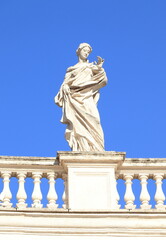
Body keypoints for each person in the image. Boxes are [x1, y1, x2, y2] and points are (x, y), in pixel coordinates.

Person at [55, 43, 107, 151]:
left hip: (87, 96)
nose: (86, 53)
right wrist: (64, 86)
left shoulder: (91, 67)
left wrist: (99, 68)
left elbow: (103, 79)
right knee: (77, 124)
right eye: (85, 50)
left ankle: (96, 147)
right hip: (75, 97)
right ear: (79, 51)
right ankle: (81, 147)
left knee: (95, 120)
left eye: (88, 52)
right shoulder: (72, 69)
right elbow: (66, 82)